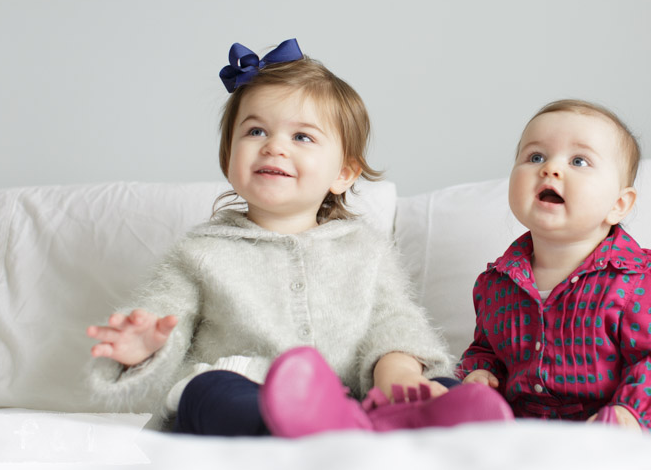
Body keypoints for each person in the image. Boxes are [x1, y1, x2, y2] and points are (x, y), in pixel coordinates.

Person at [86, 39, 512, 437]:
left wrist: (397, 372)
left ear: (343, 174)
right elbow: (165, 317)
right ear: (228, 155)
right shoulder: (200, 253)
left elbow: (393, 322)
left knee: (435, 384)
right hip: (241, 384)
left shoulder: (364, 250)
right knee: (209, 390)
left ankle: (427, 421)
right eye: (255, 132)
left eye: (302, 136)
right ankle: (292, 425)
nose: (273, 146)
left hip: (351, 395)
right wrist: (143, 347)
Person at [458, 99, 651, 434]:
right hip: (523, 423)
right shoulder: (496, 283)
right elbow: (486, 348)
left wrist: (629, 411)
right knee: (445, 390)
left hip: (612, 421)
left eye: (579, 161)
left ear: (618, 204)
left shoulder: (639, 282)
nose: (550, 168)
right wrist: (480, 372)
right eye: (535, 156)